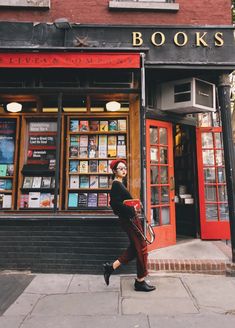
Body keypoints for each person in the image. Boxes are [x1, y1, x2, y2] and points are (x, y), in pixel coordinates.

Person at [103, 159, 156, 292]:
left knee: (135, 247)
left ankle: (110, 267)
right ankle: (140, 280)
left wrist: (135, 204)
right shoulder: (116, 185)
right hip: (129, 221)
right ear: (115, 171)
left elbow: (123, 202)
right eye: (120, 168)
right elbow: (115, 205)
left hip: (131, 219)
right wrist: (131, 209)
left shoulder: (120, 184)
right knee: (142, 248)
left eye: (125, 168)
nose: (124, 170)